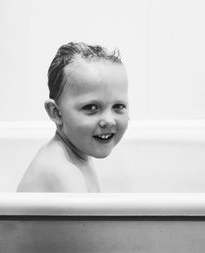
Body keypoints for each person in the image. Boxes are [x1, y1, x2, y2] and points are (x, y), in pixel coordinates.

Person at [17, 42, 129, 192]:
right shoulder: (64, 174)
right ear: (56, 113)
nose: (109, 120)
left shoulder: (76, 152)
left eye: (118, 106)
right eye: (91, 108)